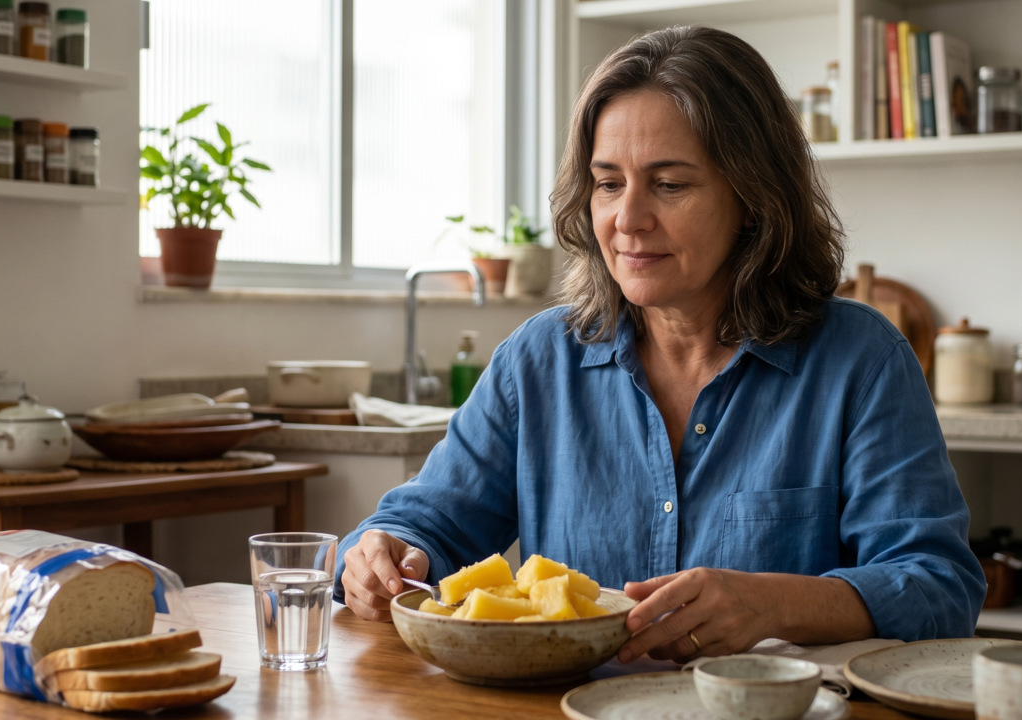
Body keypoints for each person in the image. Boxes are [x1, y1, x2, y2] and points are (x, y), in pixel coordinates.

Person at [336, 25, 985, 663]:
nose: (627, 220)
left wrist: (775, 604)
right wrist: (381, 553)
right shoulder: (539, 361)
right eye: (608, 182)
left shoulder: (860, 360)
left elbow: (939, 587)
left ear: (753, 197)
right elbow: (426, 526)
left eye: (670, 184)